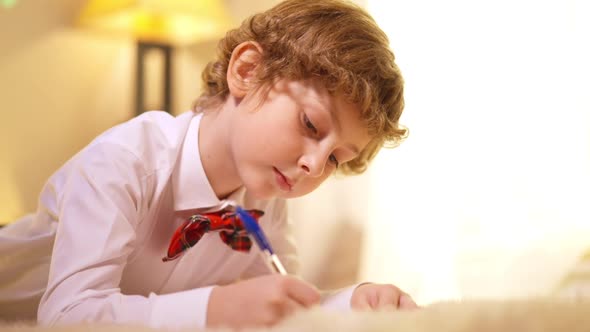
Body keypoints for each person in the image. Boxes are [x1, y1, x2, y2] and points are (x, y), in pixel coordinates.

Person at [0, 0, 415, 329]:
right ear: (248, 71)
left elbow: (283, 301)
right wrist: (216, 307)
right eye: (310, 124)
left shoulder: (266, 198)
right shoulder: (124, 162)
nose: (313, 165)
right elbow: (65, 315)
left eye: (336, 160)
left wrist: (353, 301)